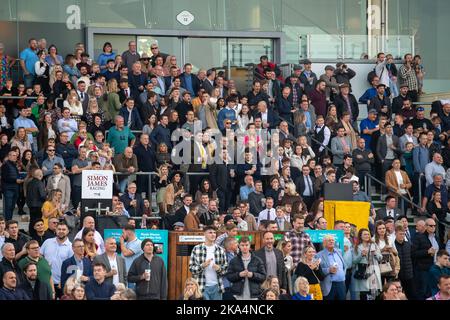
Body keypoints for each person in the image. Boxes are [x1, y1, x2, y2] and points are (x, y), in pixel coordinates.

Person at [189, 226, 228, 300]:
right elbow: (191, 269)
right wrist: (202, 265)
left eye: (214, 233)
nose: (213, 234)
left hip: (217, 286)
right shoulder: (196, 249)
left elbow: (225, 269)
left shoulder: (220, 250)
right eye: (210, 232)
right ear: (204, 234)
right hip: (201, 286)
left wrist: (219, 268)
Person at [40, 222, 73, 298]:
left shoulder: (71, 247)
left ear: (68, 231)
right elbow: (40, 257)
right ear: (55, 230)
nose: (61, 231)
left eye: (64, 229)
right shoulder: (47, 242)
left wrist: (64, 281)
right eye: (59, 229)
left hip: (61, 283)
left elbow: (71, 266)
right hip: (46, 282)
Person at [413, 218, 443, 299]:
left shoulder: (436, 238)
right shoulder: (419, 237)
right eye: (431, 226)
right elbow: (413, 253)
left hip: (435, 268)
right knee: (423, 291)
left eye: (434, 226)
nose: (433, 227)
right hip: (423, 269)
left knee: (434, 290)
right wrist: (427, 252)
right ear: (425, 226)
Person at [352, 228, 383, 300]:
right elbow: (354, 262)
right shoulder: (356, 247)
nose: (367, 236)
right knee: (364, 294)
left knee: (375, 294)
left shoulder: (374, 244)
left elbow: (380, 258)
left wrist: (375, 253)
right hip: (363, 272)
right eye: (365, 234)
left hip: (374, 272)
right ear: (360, 236)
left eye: (368, 234)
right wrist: (361, 255)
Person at [393, 224, 416, 299]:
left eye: (403, 234)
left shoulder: (408, 244)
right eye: (400, 234)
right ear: (395, 233)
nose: (402, 235)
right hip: (398, 276)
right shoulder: (393, 245)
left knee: (411, 295)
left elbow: (412, 258)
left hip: (409, 275)